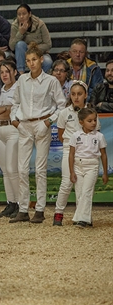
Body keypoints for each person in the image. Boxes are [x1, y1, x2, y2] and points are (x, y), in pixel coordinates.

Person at [9, 42, 66, 224]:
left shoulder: (51, 81)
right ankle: (23, 208)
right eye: (28, 60)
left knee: (40, 169)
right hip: (24, 125)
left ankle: (40, 209)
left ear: (41, 60)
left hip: (43, 123)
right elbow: (15, 102)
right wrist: (15, 120)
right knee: (22, 169)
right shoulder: (22, 80)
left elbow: (62, 105)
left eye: (34, 59)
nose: (31, 63)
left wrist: (49, 121)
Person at [54, 80, 99, 226]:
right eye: (73, 94)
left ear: (85, 95)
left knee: (83, 188)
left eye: (79, 94)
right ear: (69, 95)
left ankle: (83, 217)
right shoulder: (63, 113)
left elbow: (95, 134)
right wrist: (71, 146)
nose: (76, 97)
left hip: (86, 153)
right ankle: (58, 213)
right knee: (67, 182)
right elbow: (61, 135)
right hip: (69, 149)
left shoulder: (92, 114)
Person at [69, 107, 108, 228]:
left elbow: (103, 155)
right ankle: (87, 218)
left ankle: (80, 219)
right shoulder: (75, 135)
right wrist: (71, 172)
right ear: (81, 122)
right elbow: (71, 154)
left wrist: (105, 173)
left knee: (86, 192)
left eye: (95, 120)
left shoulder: (99, 136)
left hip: (92, 166)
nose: (93, 123)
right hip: (78, 165)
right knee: (80, 193)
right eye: (89, 121)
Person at [0, 61, 19, 219]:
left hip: (12, 129)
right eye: (2, 72)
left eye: (7, 71)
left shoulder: (18, 89)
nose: (4, 75)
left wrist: (1, 110)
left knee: (12, 169)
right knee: (4, 170)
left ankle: (21, 204)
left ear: (15, 72)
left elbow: (12, 112)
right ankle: (11, 202)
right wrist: (4, 109)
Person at [9, 4, 53, 74]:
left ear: (29, 14)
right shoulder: (14, 26)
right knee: (20, 44)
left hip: (39, 52)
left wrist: (33, 48)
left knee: (48, 61)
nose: (21, 16)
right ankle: (21, 74)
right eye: (19, 14)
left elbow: (48, 44)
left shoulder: (40, 24)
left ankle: (36, 77)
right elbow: (12, 46)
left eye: (24, 14)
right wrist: (20, 33)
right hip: (23, 54)